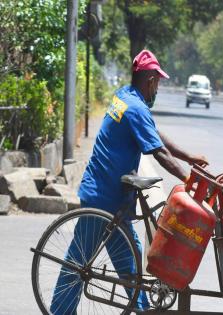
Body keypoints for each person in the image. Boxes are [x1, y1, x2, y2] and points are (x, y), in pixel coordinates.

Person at [50, 50, 208, 314]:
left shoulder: (125, 97)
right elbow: (157, 152)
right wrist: (187, 177)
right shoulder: (134, 107)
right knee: (79, 259)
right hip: (102, 196)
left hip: (116, 197)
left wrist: (188, 156)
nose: (157, 87)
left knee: (130, 258)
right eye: (157, 82)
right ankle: (60, 311)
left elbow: (154, 135)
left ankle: (142, 308)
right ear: (149, 81)